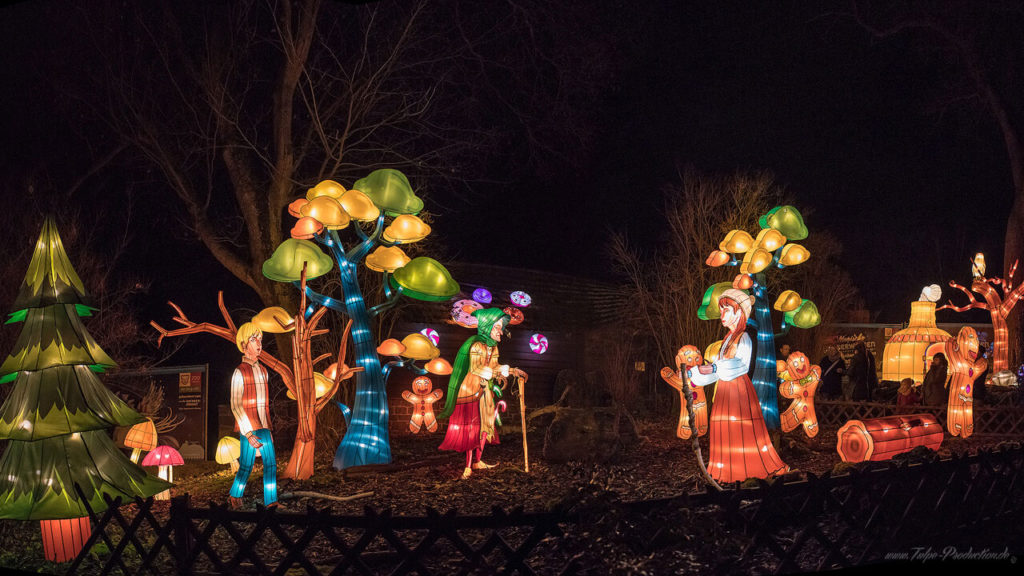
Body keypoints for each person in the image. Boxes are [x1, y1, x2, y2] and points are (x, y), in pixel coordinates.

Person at [687, 289, 787, 484]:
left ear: (740, 312)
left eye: (727, 310)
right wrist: (697, 375)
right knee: (723, 425)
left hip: (739, 392)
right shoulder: (727, 339)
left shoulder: (744, 337)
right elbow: (716, 370)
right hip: (724, 391)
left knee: (740, 428)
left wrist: (714, 367)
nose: (722, 315)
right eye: (721, 310)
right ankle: (723, 469)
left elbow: (742, 364)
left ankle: (744, 470)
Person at [438, 308, 528, 479]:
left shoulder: (493, 348)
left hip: (485, 392)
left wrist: (511, 370)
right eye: (497, 327)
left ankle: (478, 461)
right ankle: (467, 466)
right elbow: (476, 368)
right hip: (471, 392)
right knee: (472, 429)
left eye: (501, 327)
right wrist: (497, 372)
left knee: (485, 427)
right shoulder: (477, 346)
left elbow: (494, 366)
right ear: (487, 327)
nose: (500, 331)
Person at [228, 323, 278, 509]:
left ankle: (271, 501)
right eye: (253, 339)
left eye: (260, 339)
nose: (259, 343)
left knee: (271, 464)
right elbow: (235, 404)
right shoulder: (239, 372)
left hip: (264, 426)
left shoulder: (263, 371)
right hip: (248, 427)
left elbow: (264, 403)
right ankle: (235, 495)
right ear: (243, 345)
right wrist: (247, 433)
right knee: (247, 465)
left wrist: (268, 427)